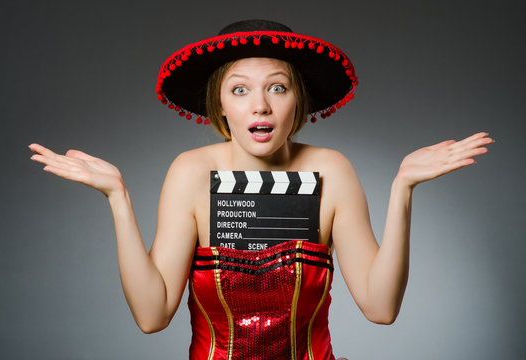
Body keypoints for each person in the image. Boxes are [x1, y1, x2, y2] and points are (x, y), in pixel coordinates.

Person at [29, 19, 493, 360]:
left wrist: (403, 188)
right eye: (239, 90)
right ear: (219, 104)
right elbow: (152, 318)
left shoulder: (331, 170)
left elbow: (381, 307)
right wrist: (118, 199)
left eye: (277, 87)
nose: (260, 106)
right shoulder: (191, 173)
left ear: (298, 101)